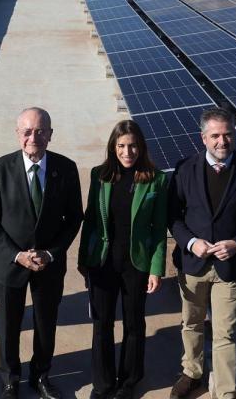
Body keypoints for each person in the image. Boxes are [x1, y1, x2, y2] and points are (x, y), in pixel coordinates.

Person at [168, 108, 236, 399]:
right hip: (193, 264)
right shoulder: (184, 169)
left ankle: (225, 391)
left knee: (225, 333)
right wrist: (191, 243)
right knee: (191, 323)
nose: (222, 141)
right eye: (215, 135)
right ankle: (192, 372)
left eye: (227, 134)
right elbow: (172, 217)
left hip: (232, 267)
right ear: (203, 138)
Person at [0, 107, 83, 399]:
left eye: (40, 131)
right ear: (17, 134)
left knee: (45, 323)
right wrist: (16, 255)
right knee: (8, 325)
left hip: (48, 266)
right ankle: (10, 380)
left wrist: (51, 253)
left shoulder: (66, 168)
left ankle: (41, 376)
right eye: (27, 131)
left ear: (50, 134)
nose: (33, 137)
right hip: (9, 265)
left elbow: (74, 218)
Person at [78, 120, 168, 399]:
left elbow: (159, 229)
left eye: (132, 146)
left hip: (136, 263)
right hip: (103, 262)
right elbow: (91, 220)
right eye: (121, 146)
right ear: (113, 147)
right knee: (102, 323)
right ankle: (102, 384)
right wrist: (84, 261)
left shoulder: (156, 179)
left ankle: (128, 381)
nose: (127, 152)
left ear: (140, 147)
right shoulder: (99, 176)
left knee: (134, 323)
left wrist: (156, 269)